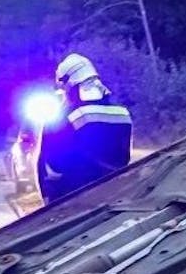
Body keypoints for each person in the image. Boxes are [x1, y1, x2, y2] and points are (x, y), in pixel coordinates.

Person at [38, 53, 132, 203]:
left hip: (75, 198)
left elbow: (53, 165)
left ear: (68, 83)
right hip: (118, 192)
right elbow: (124, 158)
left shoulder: (66, 117)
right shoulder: (123, 112)